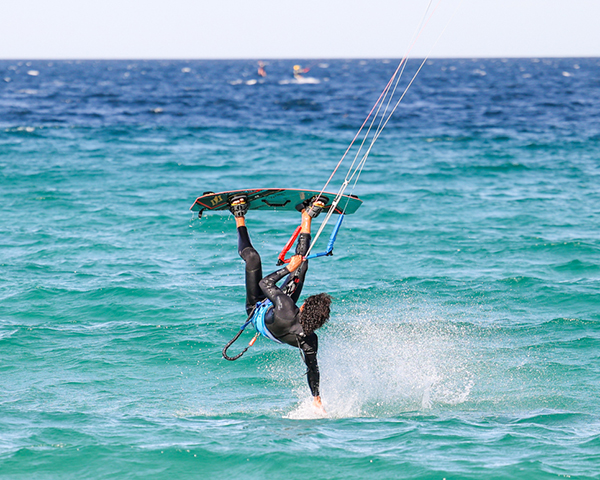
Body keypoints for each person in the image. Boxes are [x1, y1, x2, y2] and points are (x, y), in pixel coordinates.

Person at [229, 194, 332, 413]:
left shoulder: (287, 308)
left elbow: (265, 283)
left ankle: (238, 216)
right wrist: (317, 397)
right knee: (302, 266)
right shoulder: (310, 340)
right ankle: (307, 216)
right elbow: (312, 369)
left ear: (302, 307)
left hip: (258, 306)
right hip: (278, 314)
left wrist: (287, 268)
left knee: (253, 259)